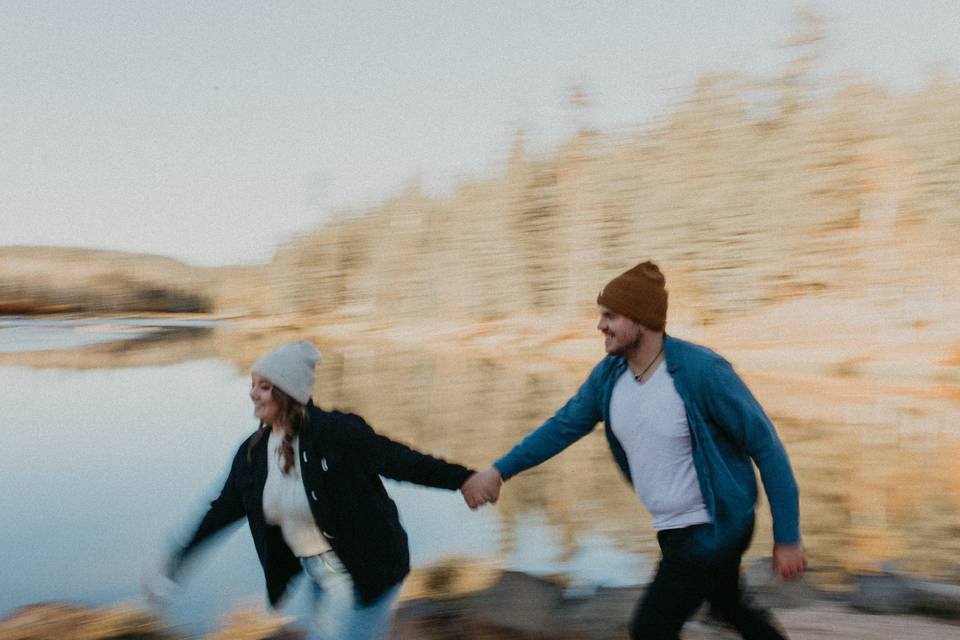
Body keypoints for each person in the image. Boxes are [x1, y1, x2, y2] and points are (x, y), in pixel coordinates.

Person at [461, 261, 806, 640]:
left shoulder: (702, 372)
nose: (600, 326)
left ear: (642, 320)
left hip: (714, 524)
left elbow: (766, 447)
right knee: (727, 604)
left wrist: (787, 537)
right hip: (673, 527)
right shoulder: (609, 377)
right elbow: (562, 427)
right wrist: (499, 471)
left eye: (611, 316)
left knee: (651, 630)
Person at [148, 340, 476, 640]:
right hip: (317, 572)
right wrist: (176, 563)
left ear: (288, 392)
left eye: (264, 387)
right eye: (252, 386)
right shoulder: (253, 454)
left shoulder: (337, 433)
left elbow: (403, 462)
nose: (253, 394)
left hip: (366, 569)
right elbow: (221, 511)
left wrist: (465, 479)